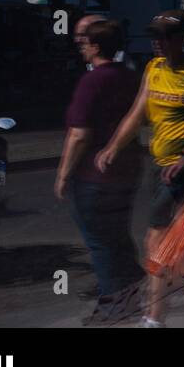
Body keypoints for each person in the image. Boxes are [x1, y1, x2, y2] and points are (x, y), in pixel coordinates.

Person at [96, 10, 184, 328]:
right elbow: (137, 113)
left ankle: (154, 317)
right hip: (161, 167)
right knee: (181, 242)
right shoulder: (154, 68)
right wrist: (113, 147)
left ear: (180, 38)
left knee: (156, 242)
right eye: (154, 37)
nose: (157, 43)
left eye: (163, 37)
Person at [56, 20, 144, 324]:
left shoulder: (92, 81)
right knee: (117, 236)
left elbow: (79, 134)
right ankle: (135, 294)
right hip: (127, 170)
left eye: (85, 42)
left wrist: (64, 174)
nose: (81, 46)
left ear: (96, 47)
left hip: (95, 176)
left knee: (100, 244)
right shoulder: (131, 77)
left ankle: (113, 307)